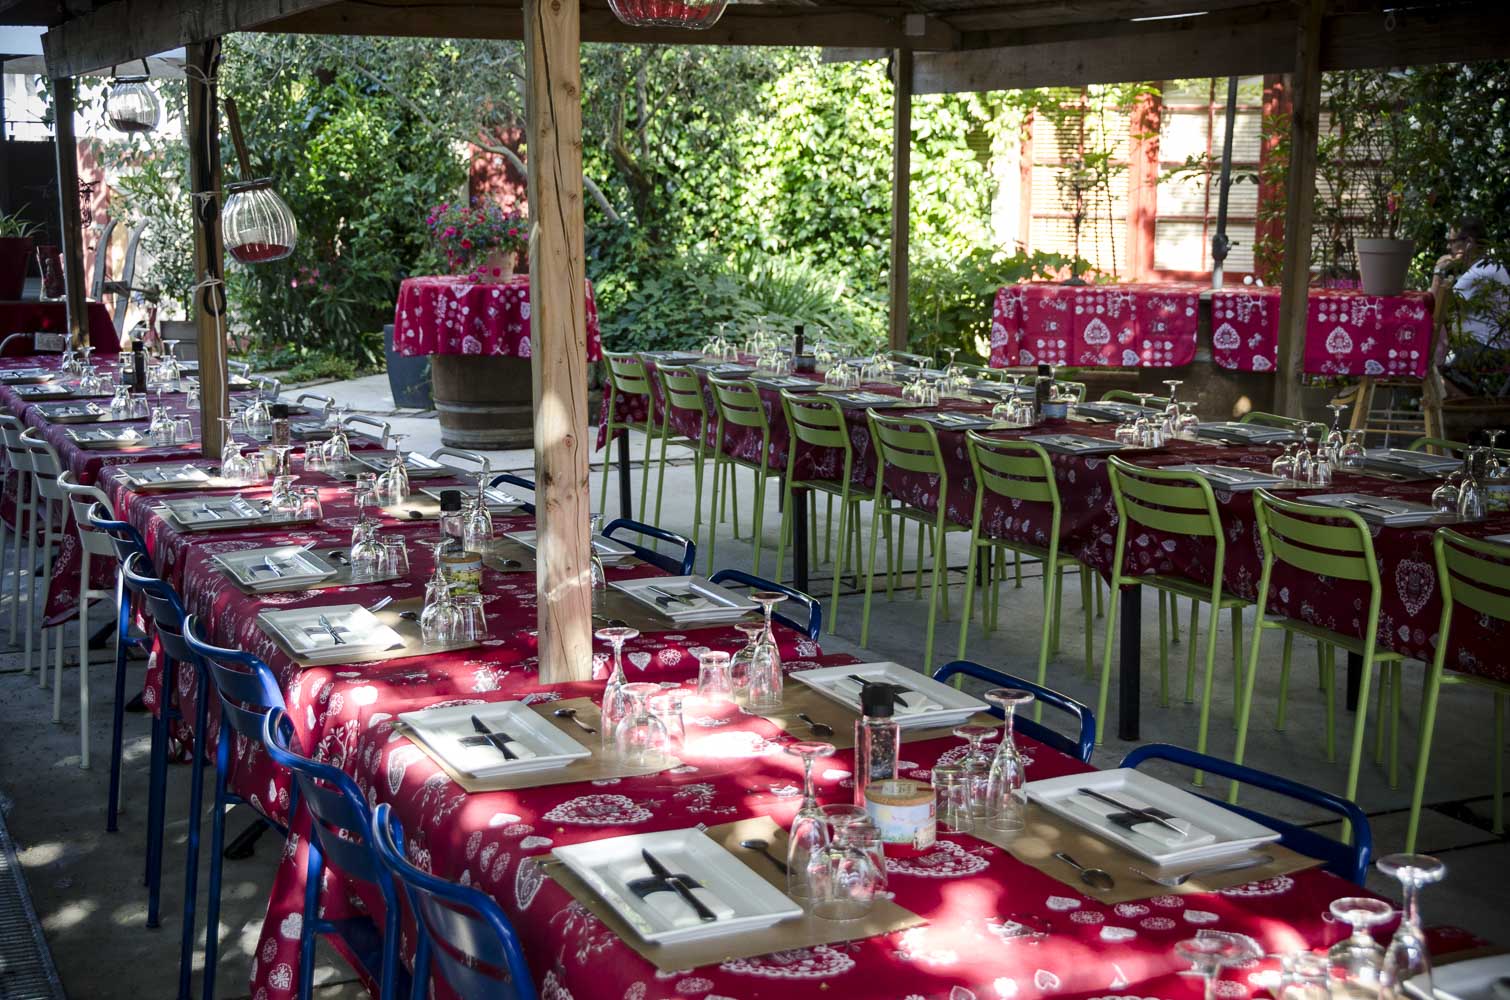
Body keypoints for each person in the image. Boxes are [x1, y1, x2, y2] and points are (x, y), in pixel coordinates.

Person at [1432, 217, 1510, 395]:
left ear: (1468, 243)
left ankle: (1475, 405)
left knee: (1428, 369)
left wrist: (1438, 271)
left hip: (1486, 350)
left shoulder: (1479, 273)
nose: (1448, 248)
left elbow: (1435, 308)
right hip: (1491, 347)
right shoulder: (1490, 266)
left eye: (1452, 241)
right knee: (1437, 365)